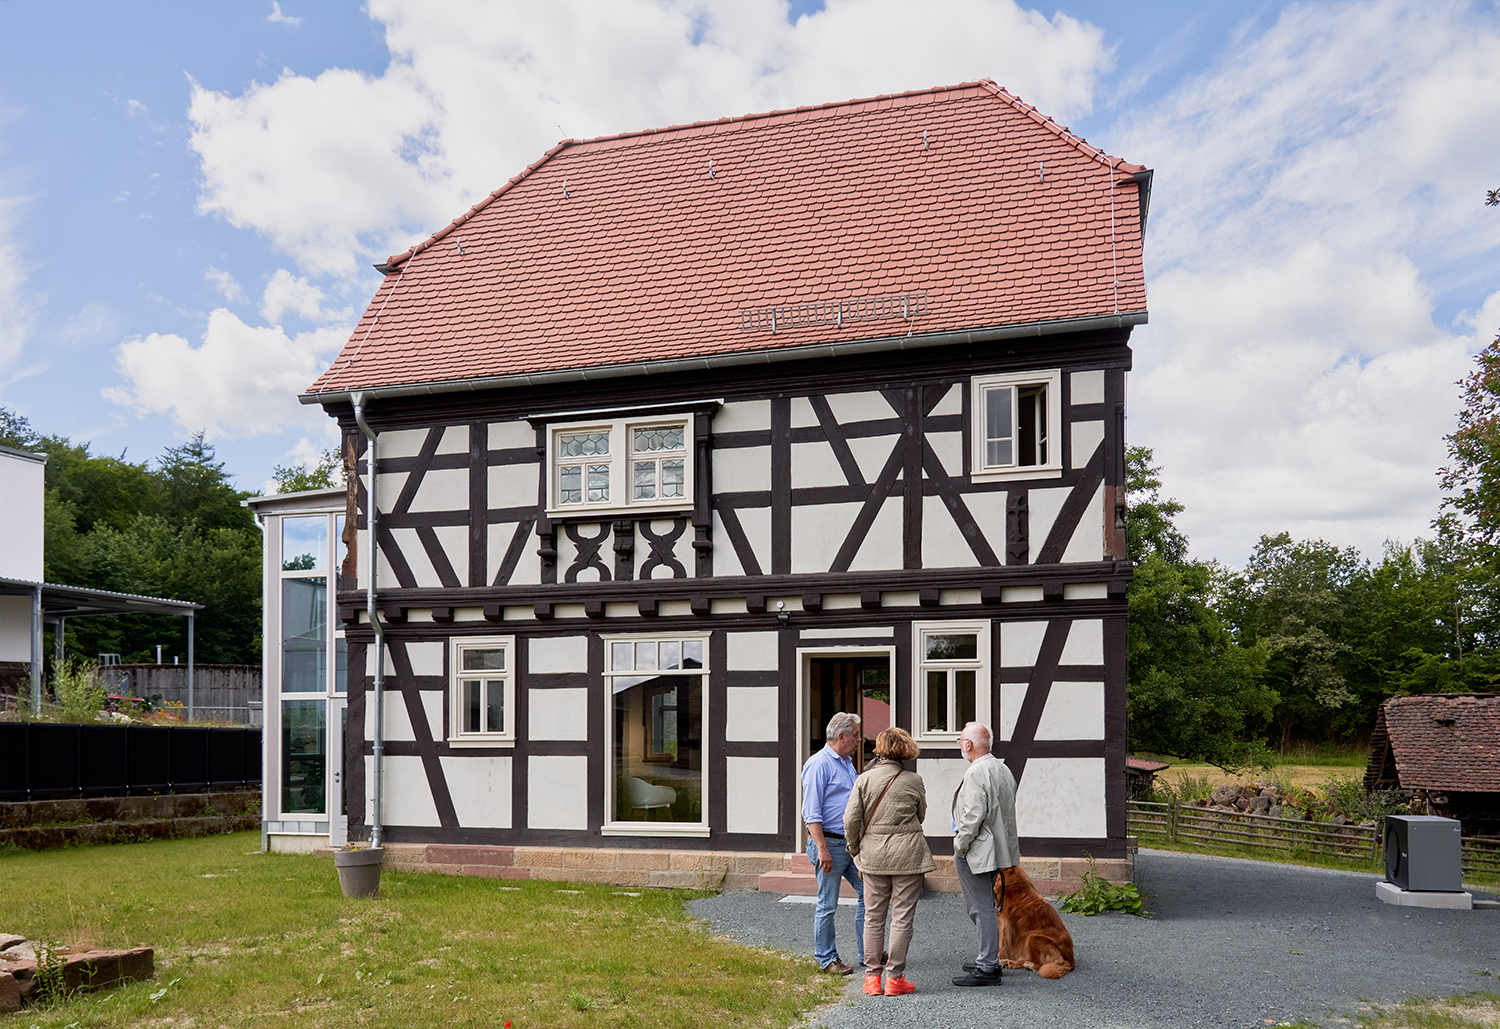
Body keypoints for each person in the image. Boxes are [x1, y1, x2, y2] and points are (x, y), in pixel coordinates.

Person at [844, 726, 934, 997]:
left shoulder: (864, 780)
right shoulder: (914, 780)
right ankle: (895, 979)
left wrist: (854, 848)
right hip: (908, 854)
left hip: (873, 855)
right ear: (906, 750)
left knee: (873, 917)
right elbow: (921, 815)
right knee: (902, 918)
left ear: (879, 749)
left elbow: (850, 820)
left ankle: (872, 978)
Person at [950, 721, 1019, 987]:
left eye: (960, 742)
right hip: (997, 850)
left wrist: (960, 845)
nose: (960, 746)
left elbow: (972, 816)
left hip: (978, 851)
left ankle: (987, 967)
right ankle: (987, 958)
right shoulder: (1003, 769)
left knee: (981, 908)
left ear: (968, 745)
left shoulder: (977, 772)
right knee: (985, 907)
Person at [800, 710, 865, 975]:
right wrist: (823, 850)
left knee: (869, 893)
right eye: (856, 735)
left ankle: (868, 952)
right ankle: (827, 960)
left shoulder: (847, 762)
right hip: (829, 844)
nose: (860, 740)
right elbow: (811, 813)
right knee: (828, 904)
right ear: (841, 736)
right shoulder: (819, 764)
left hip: (849, 845)